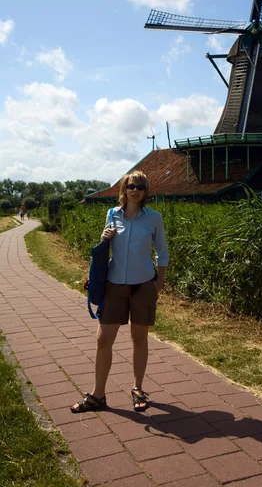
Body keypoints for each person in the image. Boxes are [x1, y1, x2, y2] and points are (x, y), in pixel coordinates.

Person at [71, 170, 168, 413]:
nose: (135, 190)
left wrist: (159, 282)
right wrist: (104, 237)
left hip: (143, 284)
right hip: (114, 285)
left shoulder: (154, 218)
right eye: (131, 186)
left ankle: (137, 389)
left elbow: (162, 251)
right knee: (103, 339)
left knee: (139, 338)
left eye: (140, 187)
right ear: (124, 189)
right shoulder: (112, 214)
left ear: (145, 192)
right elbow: (106, 247)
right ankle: (98, 395)